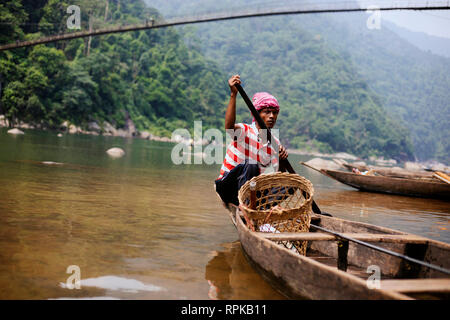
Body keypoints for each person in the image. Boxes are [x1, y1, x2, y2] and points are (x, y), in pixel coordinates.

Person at [215, 75, 288, 207]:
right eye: (267, 112)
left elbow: (275, 177)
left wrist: (282, 161)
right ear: (256, 114)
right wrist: (233, 95)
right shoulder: (245, 130)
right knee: (251, 164)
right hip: (229, 186)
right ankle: (249, 207)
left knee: (290, 185)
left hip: (254, 192)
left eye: (274, 112)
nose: (272, 116)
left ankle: (257, 208)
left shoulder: (275, 142)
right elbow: (229, 128)